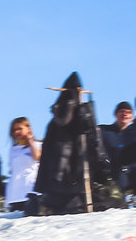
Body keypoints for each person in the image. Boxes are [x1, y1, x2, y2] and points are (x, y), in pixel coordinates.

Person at [32, 72, 94, 215]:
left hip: (65, 160)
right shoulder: (76, 107)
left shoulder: (67, 106)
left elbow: (64, 121)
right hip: (68, 160)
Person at [100, 101, 136, 195]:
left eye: (128, 112)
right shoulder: (104, 131)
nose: (124, 114)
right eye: (121, 111)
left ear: (132, 116)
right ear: (115, 114)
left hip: (132, 176)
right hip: (111, 176)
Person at [4, 117, 42, 213]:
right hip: (15, 194)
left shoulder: (38, 145)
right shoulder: (13, 150)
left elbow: (37, 156)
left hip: (31, 191)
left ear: (28, 129)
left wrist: (30, 142)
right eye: (14, 130)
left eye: (20, 129)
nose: (17, 132)